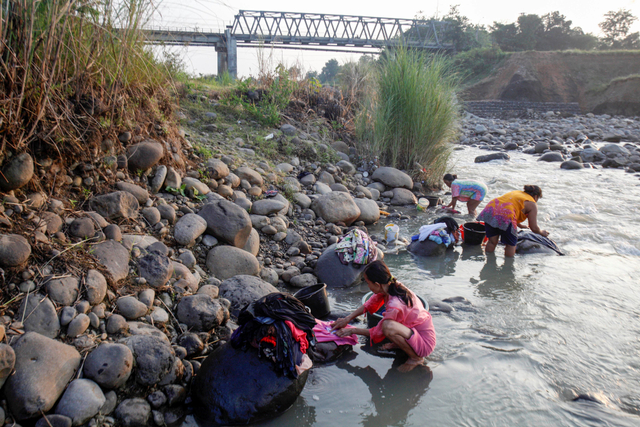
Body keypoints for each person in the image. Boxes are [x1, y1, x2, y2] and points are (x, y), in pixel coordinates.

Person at [330, 260, 436, 373]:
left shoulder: (395, 304)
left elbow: (379, 330)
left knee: (388, 326)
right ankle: (401, 344)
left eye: (368, 283)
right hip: (412, 332)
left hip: (425, 343)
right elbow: (369, 304)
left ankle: (416, 358)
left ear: (377, 284)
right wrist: (347, 319)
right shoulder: (391, 286)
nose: (368, 286)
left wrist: (352, 331)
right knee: (389, 325)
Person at [475, 185, 549, 257]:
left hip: (490, 210)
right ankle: (508, 266)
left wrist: (519, 225)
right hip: (506, 216)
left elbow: (512, 207)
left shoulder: (517, 193)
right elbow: (534, 228)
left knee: (492, 241)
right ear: (536, 196)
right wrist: (542, 232)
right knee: (510, 244)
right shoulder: (532, 203)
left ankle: (489, 262)